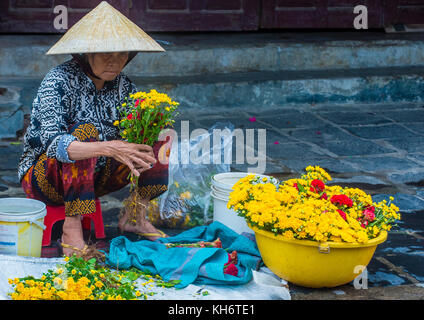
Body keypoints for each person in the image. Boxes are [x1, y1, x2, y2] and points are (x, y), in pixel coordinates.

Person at [18, 2, 171, 257]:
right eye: (105, 54)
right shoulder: (58, 81)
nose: (115, 62)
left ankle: (135, 214)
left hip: (95, 178)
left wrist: (149, 137)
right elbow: (55, 145)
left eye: (122, 54)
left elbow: (139, 134)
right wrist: (110, 146)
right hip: (45, 178)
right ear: (85, 53)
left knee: (156, 127)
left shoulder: (123, 86)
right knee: (83, 133)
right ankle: (72, 228)